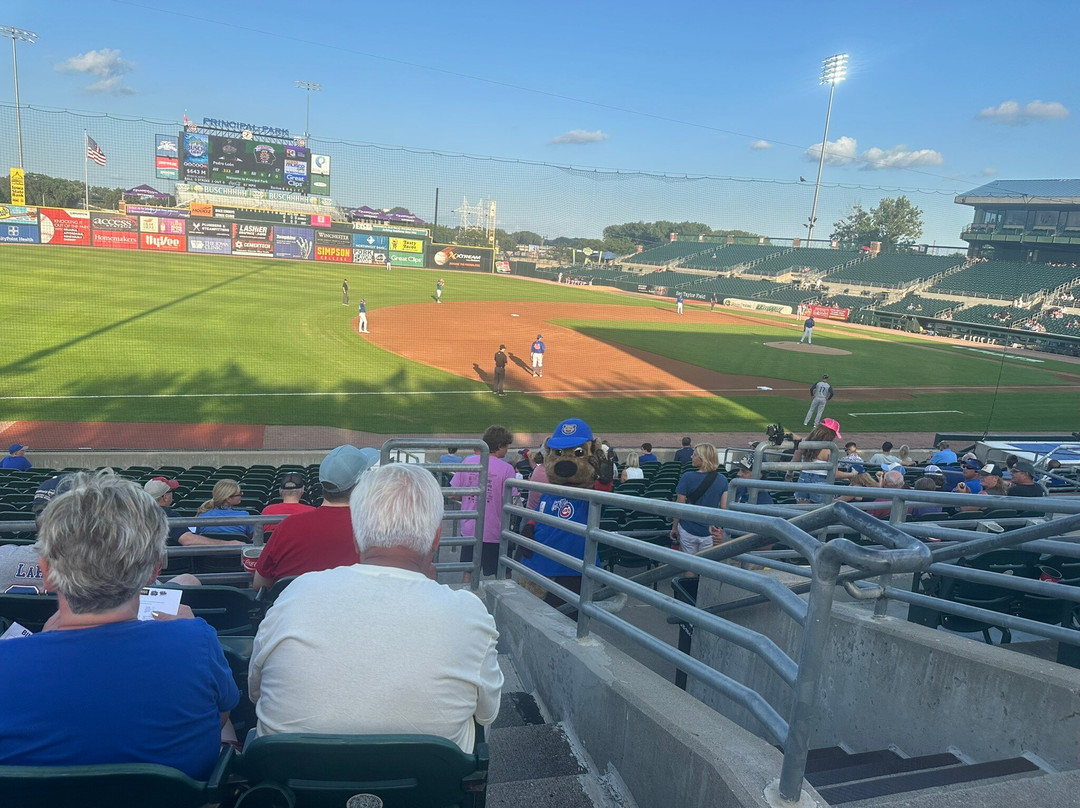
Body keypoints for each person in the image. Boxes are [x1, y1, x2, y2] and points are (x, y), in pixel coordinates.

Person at [0, 471, 239, 779]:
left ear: (46, 572)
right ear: (154, 571)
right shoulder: (195, 641)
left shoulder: (7, 664)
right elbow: (219, 719)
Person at [249, 463, 502, 753]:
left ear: (356, 537)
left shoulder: (295, 594)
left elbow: (256, 692)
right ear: (436, 538)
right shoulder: (469, 613)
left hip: (288, 790)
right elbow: (487, 713)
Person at [253, 446, 379, 590]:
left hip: (296, 611)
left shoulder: (288, 526)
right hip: (355, 610)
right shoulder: (374, 528)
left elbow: (259, 585)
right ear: (362, 484)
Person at [450, 425, 517, 579]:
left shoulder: (468, 461)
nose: (507, 450)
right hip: (494, 531)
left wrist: (470, 497)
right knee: (503, 572)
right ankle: (502, 602)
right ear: (500, 446)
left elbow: (454, 493)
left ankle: (466, 601)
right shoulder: (507, 469)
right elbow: (511, 501)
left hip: (470, 529)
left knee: (468, 570)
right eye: (506, 446)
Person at [669, 444, 728, 561]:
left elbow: (679, 507)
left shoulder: (687, 477)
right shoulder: (722, 479)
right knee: (705, 567)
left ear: (703, 458)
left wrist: (674, 527)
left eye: (694, 455)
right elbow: (724, 508)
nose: (691, 457)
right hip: (709, 532)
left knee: (689, 566)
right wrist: (720, 531)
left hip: (688, 529)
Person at [793, 418, 842, 505]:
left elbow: (794, 461)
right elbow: (836, 474)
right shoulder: (830, 449)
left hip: (803, 479)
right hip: (821, 481)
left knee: (802, 514)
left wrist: (789, 474)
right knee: (820, 513)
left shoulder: (804, 442)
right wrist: (852, 474)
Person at [188, 479, 252, 544]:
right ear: (228, 499)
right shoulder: (244, 516)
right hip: (237, 553)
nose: (242, 494)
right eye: (239, 493)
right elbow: (251, 538)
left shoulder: (203, 515)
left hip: (208, 553)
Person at [259, 472, 315, 538]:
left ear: (280, 491)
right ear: (302, 490)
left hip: (276, 548)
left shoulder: (267, 511)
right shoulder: (312, 512)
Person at [144, 477, 188, 544]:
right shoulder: (168, 514)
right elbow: (187, 540)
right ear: (165, 497)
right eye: (172, 491)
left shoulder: (134, 513)